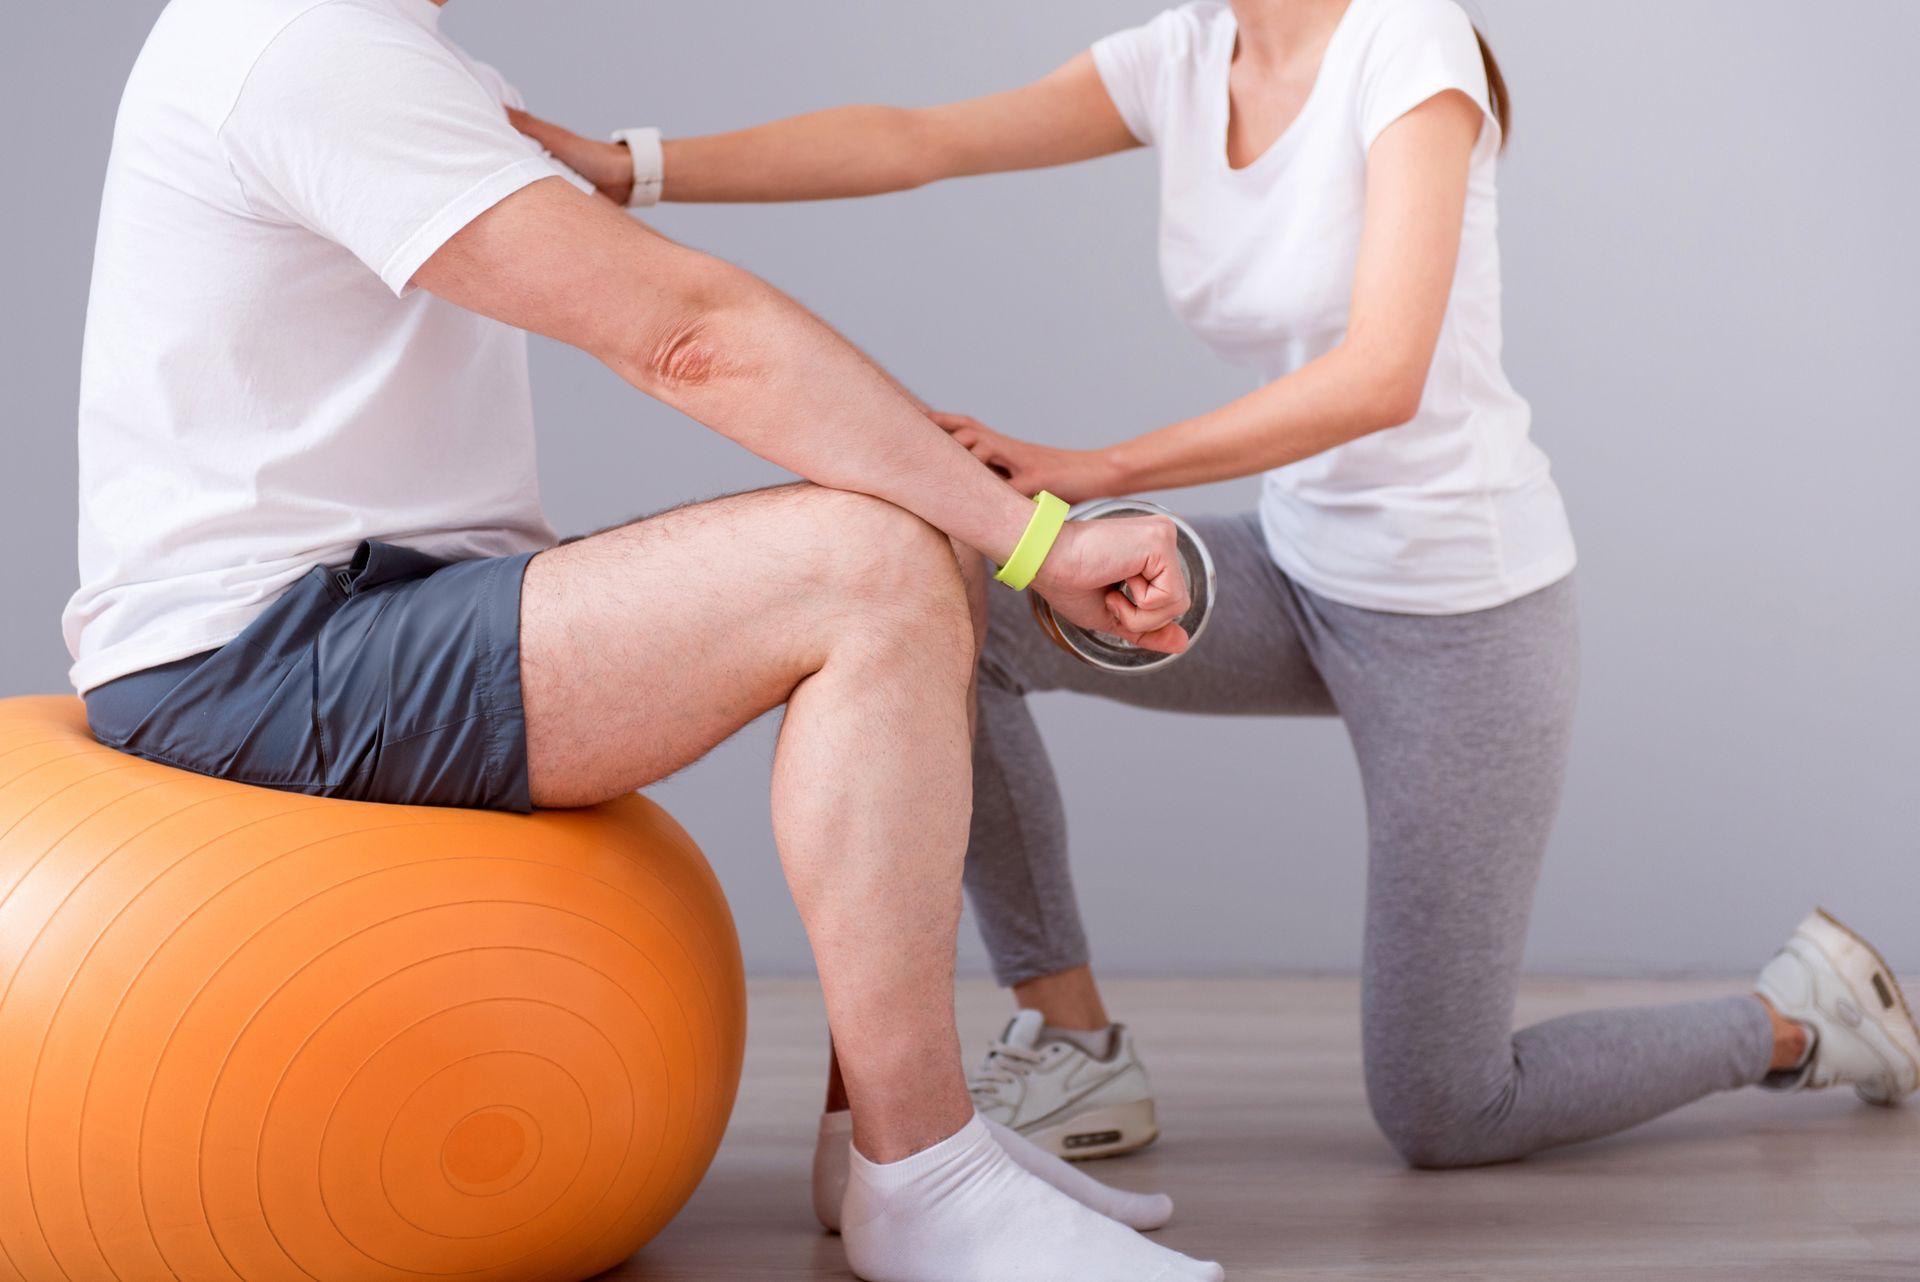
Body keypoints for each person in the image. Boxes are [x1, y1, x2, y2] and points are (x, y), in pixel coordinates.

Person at [510, 0, 1920, 1204]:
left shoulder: (1408, 51)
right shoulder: (1187, 58)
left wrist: (1093, 473)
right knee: (949, 605)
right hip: (1297, 570)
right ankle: (1076, 1046)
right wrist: (626, 168)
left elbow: (1384, 374)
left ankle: (1799, 1014)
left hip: (1459, 612)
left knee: (1446, 1106)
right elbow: (918, 137)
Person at [64, 1, 1232, 1279]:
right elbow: (687, 335)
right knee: (873, 562)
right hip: (263, 659)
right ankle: (927, 1177)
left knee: (920, 535)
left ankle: (888, 1144)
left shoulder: (391, 53)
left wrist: (992, 529)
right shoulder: (299, 43)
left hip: (379, 609)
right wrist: (1039, 541)